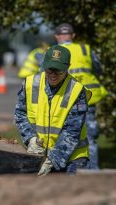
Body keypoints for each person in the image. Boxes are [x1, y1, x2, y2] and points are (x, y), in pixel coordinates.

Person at [15, 45, 90, 176]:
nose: (53, 76)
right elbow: (20, 114)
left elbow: (72, 131)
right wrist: (31, 139)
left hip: (73, 158)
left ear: (68, 67)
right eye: (49, 70)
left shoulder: (77, 91)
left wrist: (52, 161)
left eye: (59, 71)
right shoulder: (30, 84)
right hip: (40, 154)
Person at [54, 23, 108, 169]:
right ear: (73, 36)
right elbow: (98, 69)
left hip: (65, 100)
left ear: (57, 36)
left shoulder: (55, 52)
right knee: (90, 138)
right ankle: (93, 172)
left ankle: (70, 171)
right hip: (87, 98)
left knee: (65, 136)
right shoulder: (85, 49)